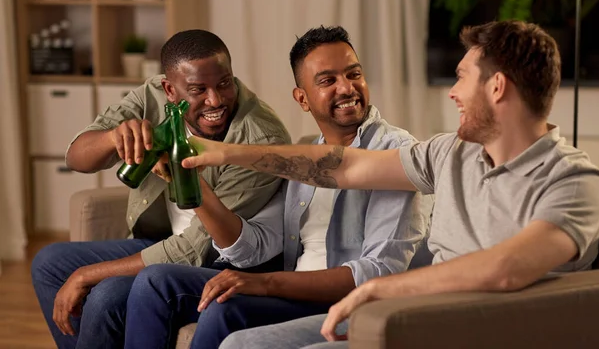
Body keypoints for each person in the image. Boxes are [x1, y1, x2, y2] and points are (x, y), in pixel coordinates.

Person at [183, 20, 599, 349]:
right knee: (243, 343)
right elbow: (342, 168)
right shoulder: (451, 153)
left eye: (461, 77)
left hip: (485, 332)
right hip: (425, 317)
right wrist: (223, 152)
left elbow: (506, 269)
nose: (452, 92)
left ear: (496, 87)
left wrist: (382, 288)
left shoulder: (573, 181)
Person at [122, 26, 433, 349]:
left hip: (349, 303)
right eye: (328, 81)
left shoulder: (396, 152)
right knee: (157, 281)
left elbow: (378, 271)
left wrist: (264, 283)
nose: (347, 88)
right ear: (302, 98)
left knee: (222, 310)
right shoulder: (300, 161)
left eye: (354, 74)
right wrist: (191, 181)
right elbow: (252, 247)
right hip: (296, 296)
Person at [30, 29, 291, 349]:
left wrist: (87, 274)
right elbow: (77, 157)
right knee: (50, 262)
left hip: (216, 260)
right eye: (198, 89)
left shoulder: (260, 139)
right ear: (169, 89)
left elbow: (199, 248)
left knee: (105, 296)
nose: (216, 100)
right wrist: (114, 137)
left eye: (224, 83)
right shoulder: (151, 95)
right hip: (162, 239)